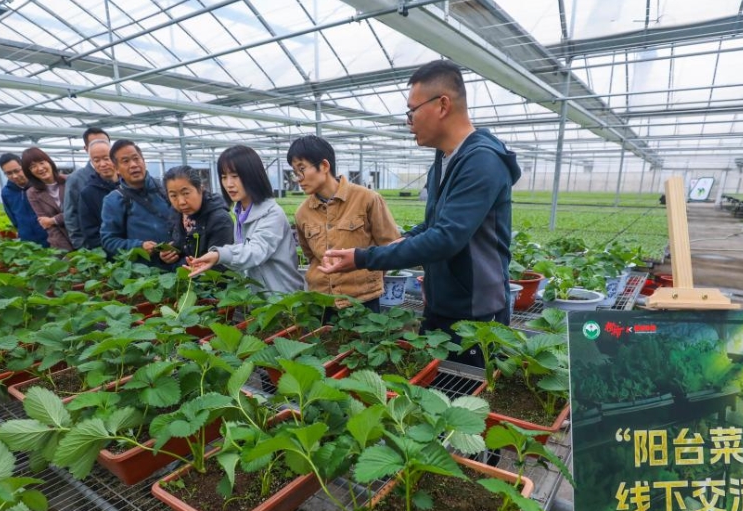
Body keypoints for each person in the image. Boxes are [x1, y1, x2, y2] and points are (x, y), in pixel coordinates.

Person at [321, 60, 521, 366]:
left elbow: (445, 238)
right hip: (442, 303)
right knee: (436, 390)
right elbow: (432, 226)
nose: (408, 120)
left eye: (412, 110)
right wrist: (397, 244)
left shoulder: (482, 162)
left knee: (466, 397)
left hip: (476, 312)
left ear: (442, 105)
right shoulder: (443, 161)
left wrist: (363, 259)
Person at [288, 135, 399, 312]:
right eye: (295, 172)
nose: (298, 178)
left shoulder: (367, 199)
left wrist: (368, 280)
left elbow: (391, 247)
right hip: (322, 301)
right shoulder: (302, 212)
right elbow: (311, 256)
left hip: (362, 301)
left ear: (324, 166)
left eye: (301, 169)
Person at [186, 145, 303, 294]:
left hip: (283, 299)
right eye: (224, 177)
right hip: (257, 299)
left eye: (235, 176)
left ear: (252, 175)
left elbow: (255, 251)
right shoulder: (239, 211)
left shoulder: (272, 214)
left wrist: (219, 255)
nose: (229, 184)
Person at [100, 140, 178, 269]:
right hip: (145, 273)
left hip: (179, 264)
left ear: (143, 160)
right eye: (125, 161)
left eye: (136, 158)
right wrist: (139, 246)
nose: (133, 165)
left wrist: (177, 244)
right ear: (117, 169)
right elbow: (109, 241)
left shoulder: (165, 189)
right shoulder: (114, 200)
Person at [162, 165, 233, 264]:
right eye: (173, 195)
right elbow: (181, 245)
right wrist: (170, 254)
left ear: (200, 189)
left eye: (186, 193)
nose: (181, 202)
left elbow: (220, 267)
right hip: (185, 276)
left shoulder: (220, 220)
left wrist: (180, 264)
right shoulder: (176, 214)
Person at [63, 127, 110, 249]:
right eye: (93, 144)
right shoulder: (76, 179)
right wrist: (82, 247)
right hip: (95, 245)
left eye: (103, 143)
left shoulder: (120, 175)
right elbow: (70, 216)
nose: (99, 146)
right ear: (86, 149)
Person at [21, 147, 73, 251]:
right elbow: (47, 225)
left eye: (41, 162)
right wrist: (67, 252)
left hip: (84, 237)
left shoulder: (70, 181)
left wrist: (53, 220)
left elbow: (78, 212)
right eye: (33, 166)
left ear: (49, 162)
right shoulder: (32, 193)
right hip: (60, 244)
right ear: (29, 172)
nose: (40, 168)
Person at [0, 153, 49, 247]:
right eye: (9, 173)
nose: (15, 176)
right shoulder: (6, 192)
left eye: (17, 171)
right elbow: (12, 216)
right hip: (27, 241)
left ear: (24, 167)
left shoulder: (40, 185)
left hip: (50, 238)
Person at [76, 139, 118, 249]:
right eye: (96, 160)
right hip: (113, 254)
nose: (102, 164)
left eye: (106, 158)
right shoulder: (88, 193)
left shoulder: (129, 184)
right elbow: (90, 231)